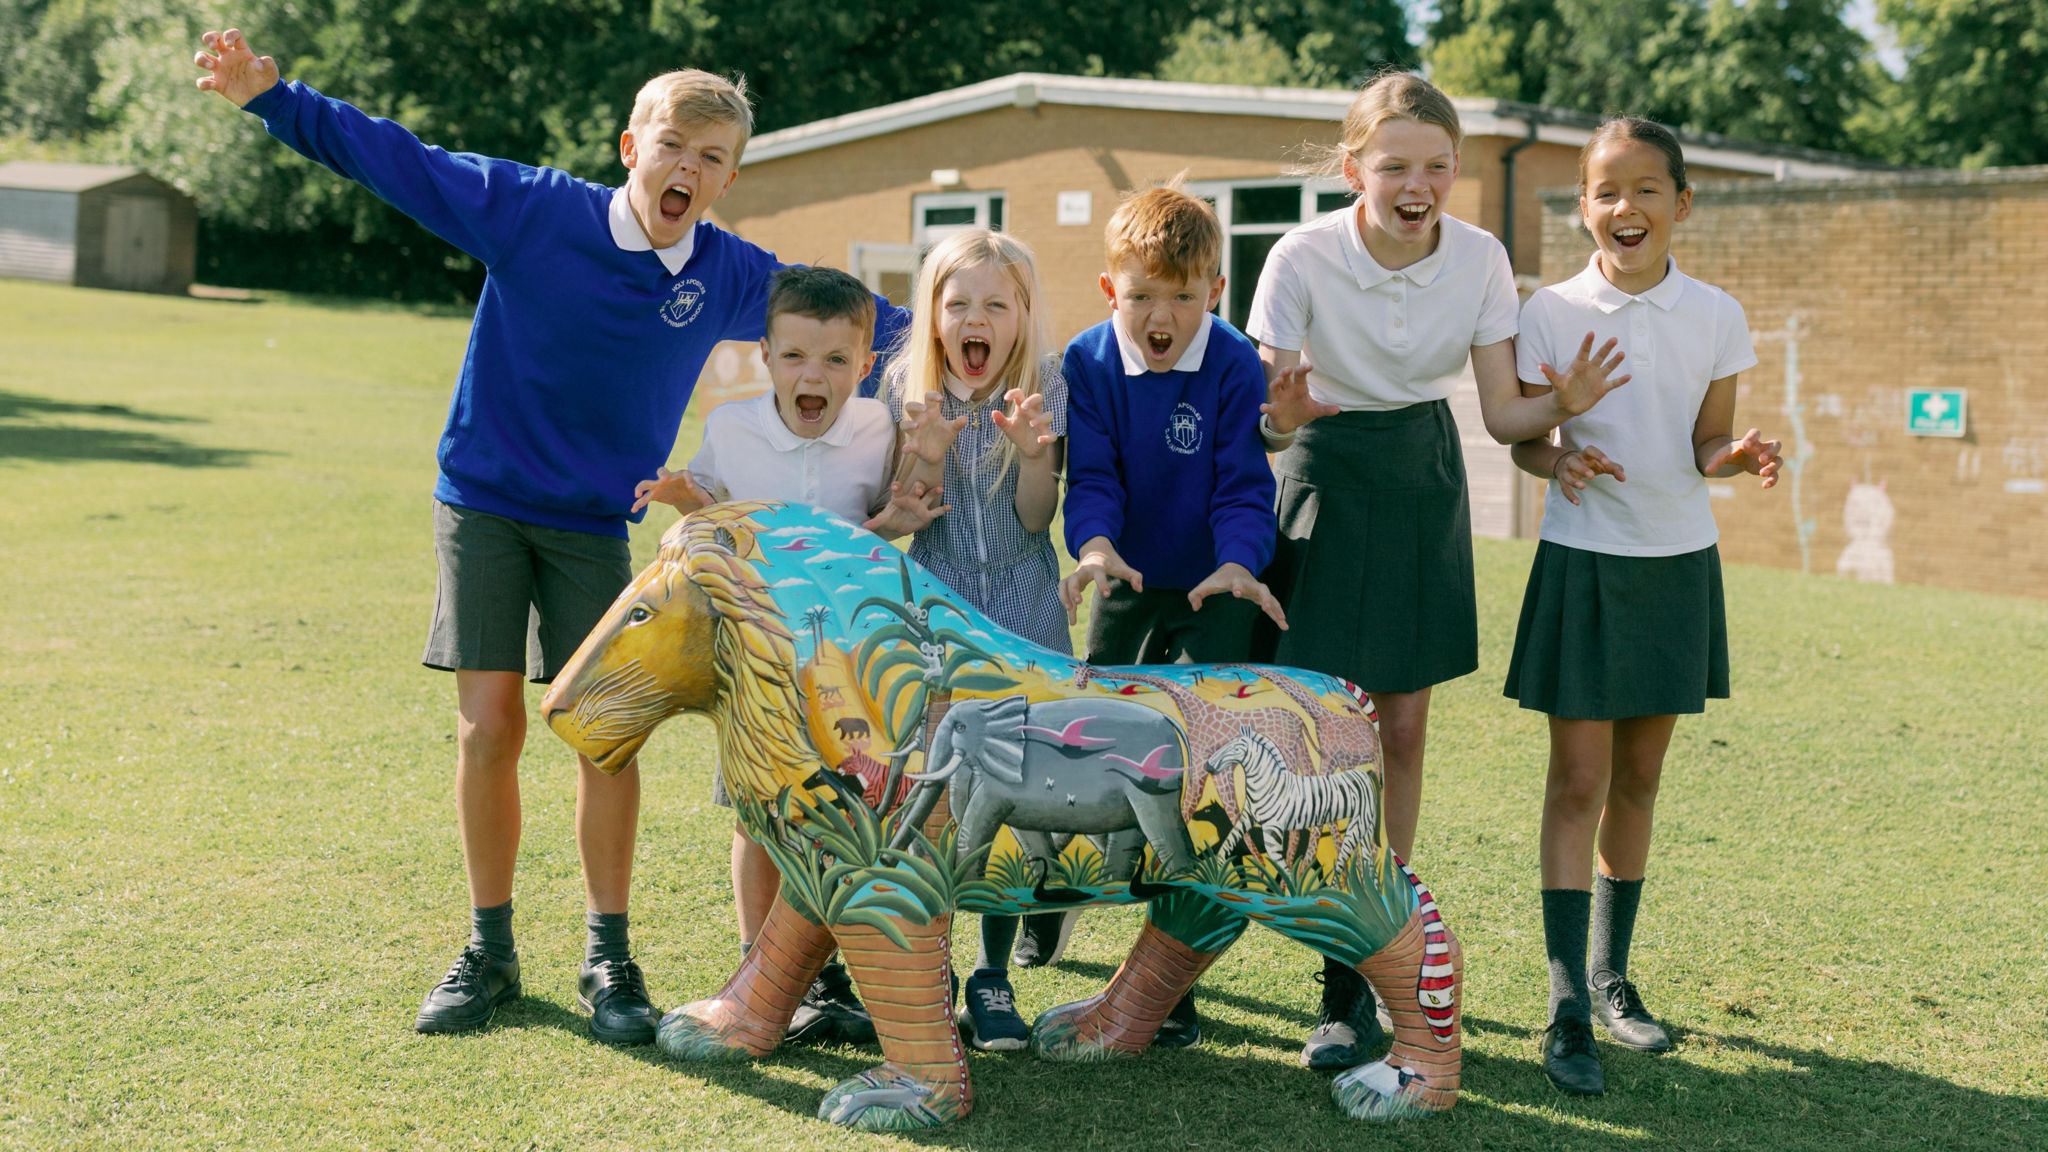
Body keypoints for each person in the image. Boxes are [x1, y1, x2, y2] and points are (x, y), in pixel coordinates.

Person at [192, 26, 903, 1045]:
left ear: (730, 177)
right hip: (481, 501)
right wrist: (272, 96)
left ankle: (607, 958)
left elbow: (855, 327)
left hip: (591, 527)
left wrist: (925, 389)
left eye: (711, 159)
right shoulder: (532, 211)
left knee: (602, 738)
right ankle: (488, 949)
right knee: (489, 728)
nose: (687, 170)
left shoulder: (733, 274)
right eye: (672, 146)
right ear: (630, 146)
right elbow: (400, 160)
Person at [1244, 71, 1624, 1068]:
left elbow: (1502, 416)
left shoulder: (1482, 258)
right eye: (1394, 166)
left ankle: (1367, 963)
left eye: (1436, 167)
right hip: (1325, 472)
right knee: (1327, 734)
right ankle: (1331, 983)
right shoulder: (1297, 255)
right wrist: (1278, 418)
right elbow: (1267, 411)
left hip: (1423, 472)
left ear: (1453, 171)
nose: (1417, 185)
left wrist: (1559, 407)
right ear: (1352, 168)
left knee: (1401, 728)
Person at [1504, 116, 1779, 1096]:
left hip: (1675, 565)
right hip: (1581, 559)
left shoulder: (1716, 314)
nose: (1624, 208)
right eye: (1604, 192)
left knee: (1640, 778)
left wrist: (1736, 455)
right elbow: (1525, 441)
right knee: (1575, 781)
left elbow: (1704, 444)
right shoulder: (1546, 311)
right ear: (1582, 207)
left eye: (1644, 189)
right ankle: (1563, 1003)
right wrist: (1556, 450)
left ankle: (1613, 976)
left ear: (1680, 204)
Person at [632, 265, 942, 1047]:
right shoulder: (734, 429)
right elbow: (713, 525)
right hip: (757, 662)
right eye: (797, 355)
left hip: (848, 662)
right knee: (759, 815)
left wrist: (898, 516)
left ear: (864, 366)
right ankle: (759, 964)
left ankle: (832, 973)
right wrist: (685, 499)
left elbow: (865, 536)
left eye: (837, 360)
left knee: (843, 812)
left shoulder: (876, 429)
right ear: (765, 355)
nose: (816, 375)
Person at [1057, 184, 1284, 1052]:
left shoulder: (1232, 361)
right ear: (1111, 290)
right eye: (1144, 294)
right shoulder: (1087, 361)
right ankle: (1065, 897)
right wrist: (1094, 547)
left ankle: (1170, 976)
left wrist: (1239, 562)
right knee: (1099, 752)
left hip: (1215, 592)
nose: (1163, 315)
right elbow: (1096, 476)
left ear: (1216, 291)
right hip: (1120, 577)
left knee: (1194, 783)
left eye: (1184, 297)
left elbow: (1240, 480)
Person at [881, 227, 1064, 1052]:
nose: (976, 319)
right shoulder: (905, 389)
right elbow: (911, 517)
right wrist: (921, 457)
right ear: (934, 314)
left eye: (997, 303)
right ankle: (939, 967)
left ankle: (993, 975)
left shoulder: (1045, 388)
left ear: (1023, 315)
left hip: (1025, 625)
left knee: (1011, 799)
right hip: (938, 629)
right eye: (960, 304)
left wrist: (1033, 456)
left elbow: (1035, 521)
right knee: (943, 801)